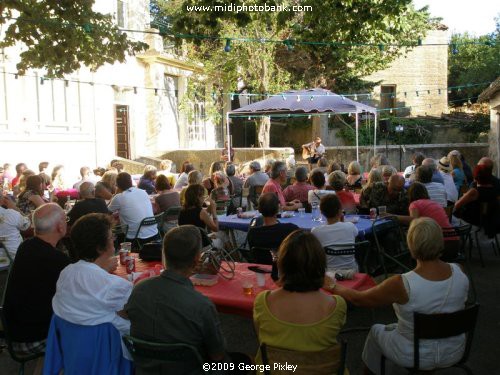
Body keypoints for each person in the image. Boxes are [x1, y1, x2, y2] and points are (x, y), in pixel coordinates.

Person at [330, 218, 469, 373]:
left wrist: (332, 285)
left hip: (415, 354)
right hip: (454, 350)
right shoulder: (460, 271)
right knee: (397, 328)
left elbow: (359, 299)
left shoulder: (402, 284)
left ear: (411, 243)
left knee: (376, 330)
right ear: (440, 241)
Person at [126, 225, 251, 374]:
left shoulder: (139, 289)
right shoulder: (201, 305)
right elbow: (217, 355)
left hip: (146, 369)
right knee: (244, 362)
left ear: (164, 253)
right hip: (193, 370)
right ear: (197, 258)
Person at [253, 230, 346, 364]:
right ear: (320, 263)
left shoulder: (262, 302)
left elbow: (260, 337)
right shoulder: (337, 305)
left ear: (282, 263)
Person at [3, 204, 71, 356]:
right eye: (65, 219)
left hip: (13, 332)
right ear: (60, 226)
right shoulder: (56, 259)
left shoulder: (26, 246)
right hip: (31, 339)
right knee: (94, 331)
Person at [52, 214, 131, 336]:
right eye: (111, 237)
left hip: (69, 343)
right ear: (100, 248)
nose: (114, 240)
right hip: (108, 346)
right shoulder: (116, 286)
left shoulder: (65, 273)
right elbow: (130, 315)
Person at [389, 182, 459, 261]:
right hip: (454, 243)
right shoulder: (434, 203)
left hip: (438, 247)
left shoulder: (415, 204)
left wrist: (391, 216)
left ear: (410, 194)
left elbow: (413, 220)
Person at [108, 172, 158, 244]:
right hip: (154, 233)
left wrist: (115, 194)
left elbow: (107, 212)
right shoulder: (143, 192)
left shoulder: (119, 197)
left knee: (115, 227)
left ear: (117, 185)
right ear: (131, 182)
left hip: (135, 237)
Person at [312, 194, 358, 271]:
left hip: (328, 274)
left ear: (321, 212)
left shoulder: (316, 231)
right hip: (352, 272)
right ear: (340, 211)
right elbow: (354, 234)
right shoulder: (351, 226)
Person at [454, 164, 500, 237]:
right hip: (491, 223)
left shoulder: (474, 192)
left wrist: (465, 196)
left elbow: (456, 206)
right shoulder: (496, 190)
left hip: (475, 222)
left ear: (476, 177)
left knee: (453, 215)